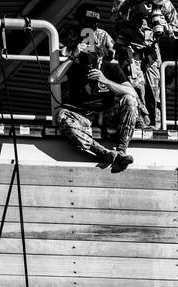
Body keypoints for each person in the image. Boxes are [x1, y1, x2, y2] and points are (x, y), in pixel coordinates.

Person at [53, 8, 138, 171]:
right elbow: (53, 79)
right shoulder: (77, 67)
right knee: (62, 116)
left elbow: (132, 92)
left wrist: (104, 80)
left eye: (96, 56)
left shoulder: (109, 68)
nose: (92, 61)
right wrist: (73, 57)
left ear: (102, 56)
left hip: (105, 114)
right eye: (88, 56)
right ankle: (102, 152)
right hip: (82, 115)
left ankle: (121, 150)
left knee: (130, 100)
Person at [110, 0, 178, 129]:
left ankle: (156, 125)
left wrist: (164, 26)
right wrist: (135, 10)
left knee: (155, 90)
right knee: (137, 86)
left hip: (151, 51)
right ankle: (140, 123)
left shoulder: (165, 4)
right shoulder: (125, 1)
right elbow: (115, 20)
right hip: (129, 48)